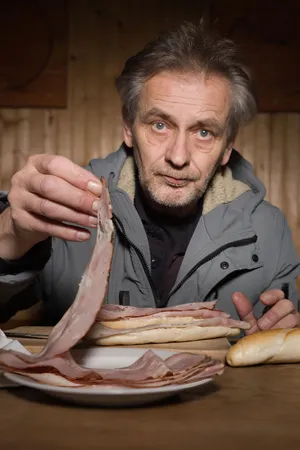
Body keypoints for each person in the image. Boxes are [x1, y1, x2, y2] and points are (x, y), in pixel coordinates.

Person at [0, 20, 299, 334]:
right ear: (129, 127)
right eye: (160, 125)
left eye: (204, 132)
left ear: (227, 147)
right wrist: (9, 235)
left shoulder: (269, 232)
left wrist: (287, 330)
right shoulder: (62, 207)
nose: (178, 156)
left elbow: (285, 328)